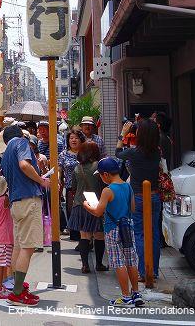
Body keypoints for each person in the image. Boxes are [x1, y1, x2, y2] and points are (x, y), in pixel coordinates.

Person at [0, 125, 49, 307]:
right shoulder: (21, 143)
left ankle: (17, 287)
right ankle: (17, 292)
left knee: (19, 246)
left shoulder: (5, 154)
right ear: (20, 135)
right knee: (28, 247)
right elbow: (24, 165)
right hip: (28, 199)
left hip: (16, 202)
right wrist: (41, 180)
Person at [83, 157, 144, 307]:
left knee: (118, 262)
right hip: (128, 226)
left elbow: (98, 212)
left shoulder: (107, 190)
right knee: (130, 259)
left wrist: (87, 205)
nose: (101, 178)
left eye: (101, 175)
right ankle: (136, 294)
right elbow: (133, 208)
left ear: (106, 174)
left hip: (112, 229)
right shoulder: (128, 186)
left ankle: (125, 296)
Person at [116, 119, 162, 281]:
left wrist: (123, 134)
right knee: (154, 233)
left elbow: (117, 154)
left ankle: (144, 272)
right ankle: (154, 271)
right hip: (155, 196)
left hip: (138, 197)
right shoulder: (157, 152)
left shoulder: (133, 153)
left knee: (140, 234)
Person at [68, 141, 107, 274]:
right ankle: (99, 264)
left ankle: (85, 265)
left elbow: (73, 187)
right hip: (96, 205)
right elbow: (104, 185)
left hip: (79, 204)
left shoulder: (77, 168)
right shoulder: (98, 167)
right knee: (99, 236)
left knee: (84, 236)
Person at [59, 130, 85, 242]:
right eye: (71, 138)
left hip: (85, 186)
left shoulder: (85, 152)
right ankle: (74, 234)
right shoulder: (63, 154)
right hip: (70, 187)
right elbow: (60, 169)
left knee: (84, 210)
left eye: (76, 138)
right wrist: (59, 180)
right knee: (71, 210)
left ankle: (85, 235)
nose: (73, 140)